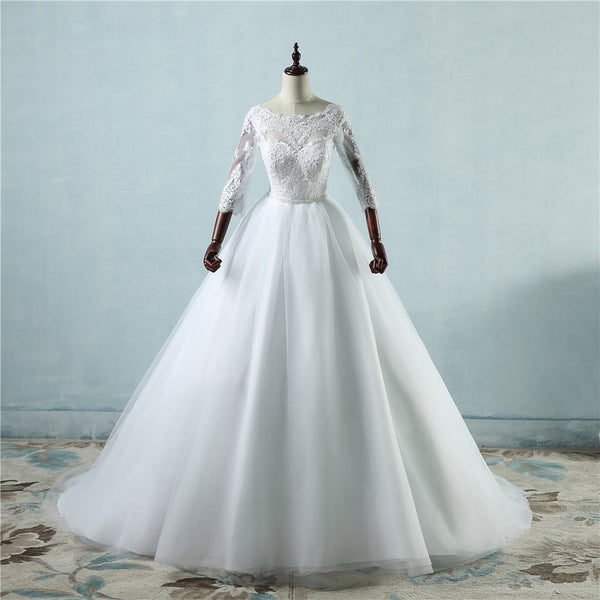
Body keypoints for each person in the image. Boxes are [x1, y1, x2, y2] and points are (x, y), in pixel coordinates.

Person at [41, 43, 532, 590]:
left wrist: (376, 242)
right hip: (267, 240)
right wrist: (215, 243)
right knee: (246, 360)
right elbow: (234, 184)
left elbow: (363, 182)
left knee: (341, 357)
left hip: (325, 240)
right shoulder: (257, 116)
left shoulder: (333, 115)